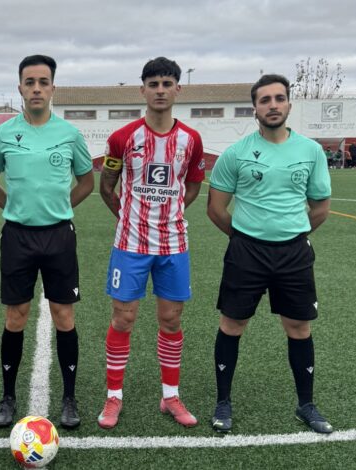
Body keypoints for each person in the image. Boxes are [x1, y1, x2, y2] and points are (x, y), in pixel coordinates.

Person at [206, 74, 333, 434]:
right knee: (232, 325)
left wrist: (292, 234)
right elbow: (216, 208)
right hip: (246, 252)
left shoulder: (310, 151)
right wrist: (245, 238)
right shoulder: (236, 153)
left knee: (299, 327)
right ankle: (223, 402)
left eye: (279, 98)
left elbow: (320, 207)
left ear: (289, 104)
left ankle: (306, 405)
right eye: (265, 100)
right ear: (255, 108)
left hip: (294, 253)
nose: (273, 105)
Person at [0, 54, 94, 429]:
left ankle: (69, 398)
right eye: (29, 82)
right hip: (17, 237)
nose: (36, 88)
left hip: (59, 235)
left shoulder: (69, 134)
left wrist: (60, 208)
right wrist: (14, 208)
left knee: (64, 316)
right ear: (20, 87)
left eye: (43, 82)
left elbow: (86, 182)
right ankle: (8, 396)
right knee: (16, 316)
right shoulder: (3, 134)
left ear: (52, 88)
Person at [96, 57, 205, 429]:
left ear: (178, 89)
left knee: (171, 320)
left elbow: (193, 187)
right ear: (142, 89)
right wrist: (129, 219)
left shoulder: (191, 140)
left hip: (173, 246)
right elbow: (106, 187)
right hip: (130, 246)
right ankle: (114, 397)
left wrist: (170, 215)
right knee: (123, 318)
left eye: (167, 83)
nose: (160, 90)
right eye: (153, 84)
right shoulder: (122, 138)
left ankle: (170, 395)